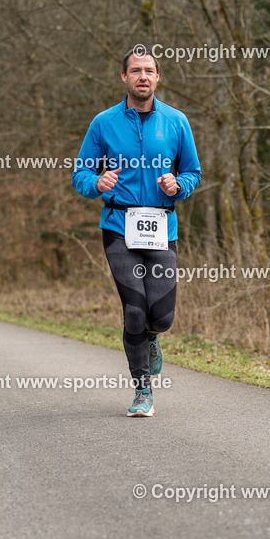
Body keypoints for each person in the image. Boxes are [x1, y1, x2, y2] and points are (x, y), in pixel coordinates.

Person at [71, 48, 201, 417]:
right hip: (119, 226)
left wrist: (179, 185)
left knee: (161, 316)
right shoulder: (104, 123)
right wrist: (96, 183)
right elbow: (80, 173)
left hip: (161, 226)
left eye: (148, 71)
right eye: (135, 71)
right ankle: (143, 390)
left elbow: (193, 172)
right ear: (124, 77)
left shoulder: (176, 121)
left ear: (157, 77)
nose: (142, 76)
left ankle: (152, 338)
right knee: (134, 310)